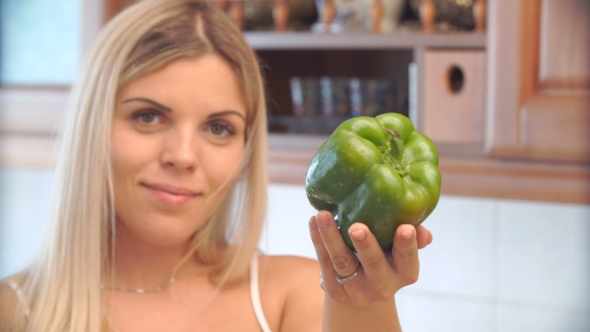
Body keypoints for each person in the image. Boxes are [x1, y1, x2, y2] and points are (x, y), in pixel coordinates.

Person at [0, 1, 433, 331]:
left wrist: (365, 303)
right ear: (90, 127)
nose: (183, 156)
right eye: (148, 116)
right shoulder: (12, 311)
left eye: (219, 128)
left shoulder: (296, 297)